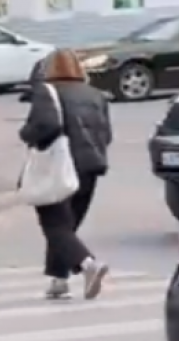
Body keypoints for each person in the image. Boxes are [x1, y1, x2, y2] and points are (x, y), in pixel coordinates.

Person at [19, 48, 112, 301]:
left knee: (54, 225)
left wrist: (25, 134)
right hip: (90, 167)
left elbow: (44, 126)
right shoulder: (95, 95)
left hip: (59, 166)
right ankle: (59, 281)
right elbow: (107, 135)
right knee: (67, 226)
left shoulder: (47, 92)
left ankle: (89, 265)